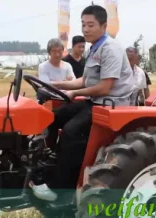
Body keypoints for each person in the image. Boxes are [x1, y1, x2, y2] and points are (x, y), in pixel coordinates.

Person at [29, 4, 135, 202]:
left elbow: (104, 87)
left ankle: (62, 189)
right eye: (83, 25)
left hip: (111, 104)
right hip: (95, 101)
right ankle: (48, 162)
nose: (85, 29)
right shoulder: (94, 48)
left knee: (71, 131)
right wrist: (53, 84)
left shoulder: (110, 48)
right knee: (52, 118)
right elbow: (84, 80)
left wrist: (74, 92)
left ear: (104, 26)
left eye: (91, 25)